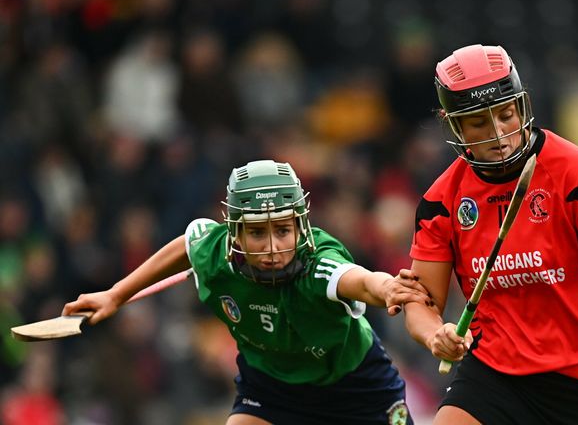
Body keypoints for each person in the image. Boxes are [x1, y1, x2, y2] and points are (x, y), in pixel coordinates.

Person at [63, 160, 429, 425]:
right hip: (270, 385)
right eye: (257, 233)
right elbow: (186, 245)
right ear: (234, 231)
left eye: (283, 230)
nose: (272, 247)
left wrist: (390, 288)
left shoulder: (319, 263)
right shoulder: (215, 251)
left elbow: (362, 280)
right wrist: (115, 295)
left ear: (301, 226)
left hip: (354, 387)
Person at [401, 44, 578, 424]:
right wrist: (436, 334)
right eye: (479, 123)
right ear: (455, 126)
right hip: (494, 374)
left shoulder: (575, 174)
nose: (499, 133)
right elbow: (421, 300)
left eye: (505, 115)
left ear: (521, 107)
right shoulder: (441, 199)